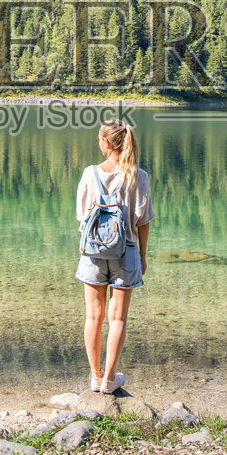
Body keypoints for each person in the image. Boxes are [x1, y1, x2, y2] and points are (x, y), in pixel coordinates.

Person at [75, 118, 153, 394]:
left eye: (100, 139)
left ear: (107, 143)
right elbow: (142, 221)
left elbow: (82, 217)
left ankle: (94, 376)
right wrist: (142, 256)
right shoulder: (138, 176)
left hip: (94, 252)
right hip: (127, 251)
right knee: (117, 318)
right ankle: (110, 379)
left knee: (93, 317)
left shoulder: (89, 173)